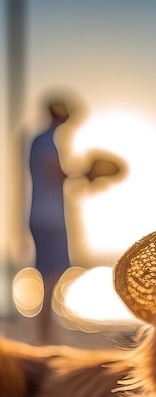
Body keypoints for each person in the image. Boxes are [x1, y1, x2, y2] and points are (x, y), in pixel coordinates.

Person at [27, 99, 72, 342]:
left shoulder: (43, 141)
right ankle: (44, 335)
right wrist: (87, 172)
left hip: (44, 218)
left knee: (50, 277)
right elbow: (56, 173)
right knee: (50, 277)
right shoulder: (44, 142)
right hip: (48, 220)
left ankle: (46, 332)